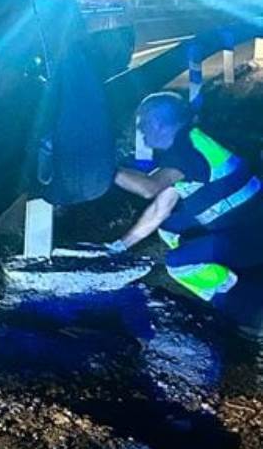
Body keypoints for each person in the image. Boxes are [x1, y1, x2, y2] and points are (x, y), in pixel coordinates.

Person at [107, 92, 263, 310]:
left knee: (179, 264)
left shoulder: (184, 152)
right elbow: (159, 210)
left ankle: (240, 304)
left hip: (249, 234)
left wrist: (104, 171)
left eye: (142, 121)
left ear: (157, 122)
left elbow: (149, 188)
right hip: (248, 224)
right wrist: (118, 247)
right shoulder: (191, 141)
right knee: (171, 225)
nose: (140, 129)